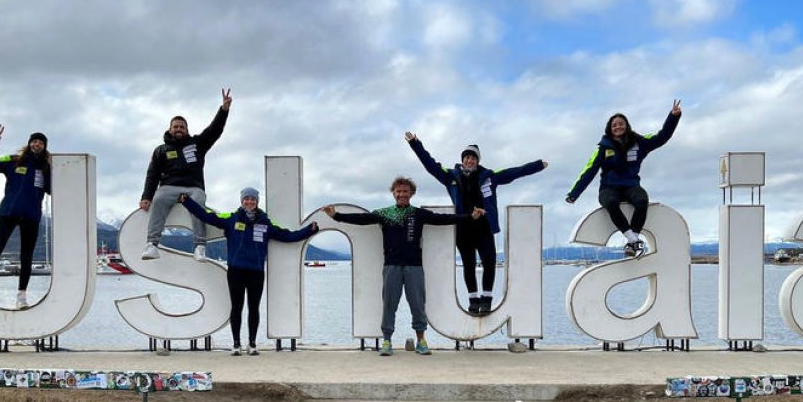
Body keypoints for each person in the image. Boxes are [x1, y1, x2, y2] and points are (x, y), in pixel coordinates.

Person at [323, 177, 483, 357]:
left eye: (405, 191)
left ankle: (421, 340)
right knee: (389, 304)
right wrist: (336, 216)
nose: (401, 194)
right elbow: (362, 219)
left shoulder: (418, 214)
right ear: (393, 193)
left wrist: (470, 216)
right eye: (398, 191)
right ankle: (387, 341)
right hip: (391, 266)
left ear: (411, 193)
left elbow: (443, 219)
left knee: (417, 304)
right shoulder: (384, 213)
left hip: (414, 266)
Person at [405, 133, 547, 315]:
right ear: (462, 160)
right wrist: (415, 144)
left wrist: (538, 165)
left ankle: (486, 300)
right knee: (468, 264)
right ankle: (473, 300)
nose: (469, 160)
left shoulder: (489, 176)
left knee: (489, 261)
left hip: (484, 227)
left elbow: (515, 172)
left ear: (477, 161)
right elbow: (430, 165)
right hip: (463, 227)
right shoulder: (451, 176)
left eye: (473, 158)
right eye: (467, 157)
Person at [180, 188, 319, 356]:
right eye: (246, 199)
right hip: (236, 272)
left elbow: (288, 236)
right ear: (241, 201)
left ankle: (252, 344)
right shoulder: (231, 219)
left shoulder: (266, 223)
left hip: (256, 272)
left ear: (257, 202)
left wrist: (309, 230)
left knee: (254, 308)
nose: (249, 202)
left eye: (253, 199)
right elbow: (206, 216)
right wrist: (187, 202)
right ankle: (236, 344)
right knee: (236, 308)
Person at [566, 100, 682, 257]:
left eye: (621, 124)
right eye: (614, 125)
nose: (618, 127)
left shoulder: (639, 142)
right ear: (610, 129)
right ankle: (633, 240)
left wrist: (673, 117)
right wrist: (574, 194)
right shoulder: (603, 148)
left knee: (642, 201)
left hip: (631, 185)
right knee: (610, 202)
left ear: (627, 126)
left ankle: (632, 243)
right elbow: (589, 171)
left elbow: (662, 137)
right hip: (609, 187)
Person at [140, 89, 232, 261]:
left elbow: (214, 130)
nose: (179, 129)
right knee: (158, 199)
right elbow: (152, 174)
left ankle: (200, 246)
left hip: (193, 188)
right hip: (168, 187)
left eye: (182, 127)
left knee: (199, 202)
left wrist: (224, 110)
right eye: (175, 126)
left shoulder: (197, 144)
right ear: (170, 129)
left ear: (187, 130)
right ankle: (152, 244)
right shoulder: (161, 150)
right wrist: (146, 197)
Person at [0, 126, 51, 309]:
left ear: (44, 147)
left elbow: (51, 189)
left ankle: (21, 297)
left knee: (27, 256)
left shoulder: (46, 168)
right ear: (29, 143)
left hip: (31, 216)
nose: (37, 144)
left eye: (41, 143)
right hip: (8, 213)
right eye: (34, 141)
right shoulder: (14, 160)